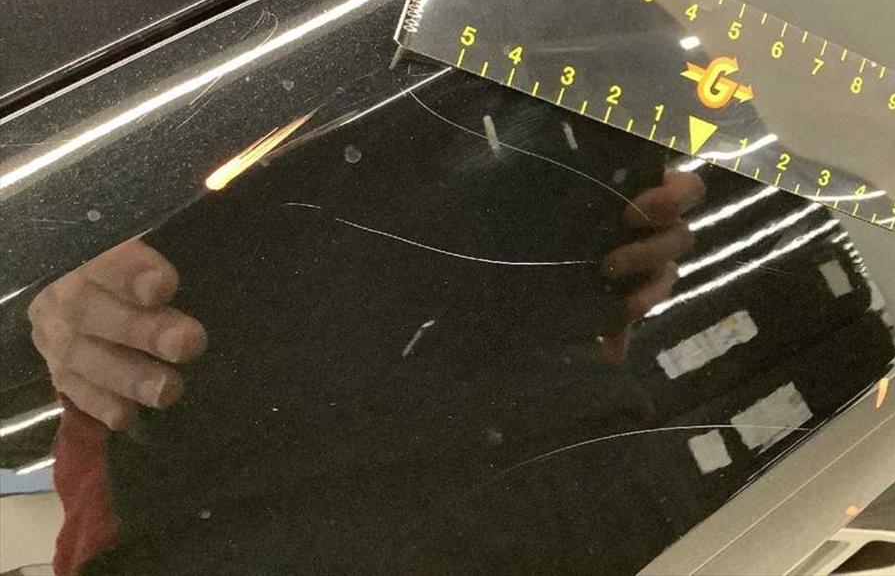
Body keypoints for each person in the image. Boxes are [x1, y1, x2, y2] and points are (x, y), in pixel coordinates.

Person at [29, 72, 704, 574]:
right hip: (237, 508)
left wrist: (637, 207)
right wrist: (44, 283)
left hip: (569, 459)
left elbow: (665, 105)